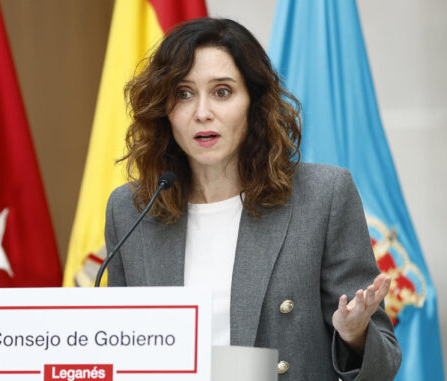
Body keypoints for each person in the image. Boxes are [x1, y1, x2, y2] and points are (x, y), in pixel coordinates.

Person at [104, 17, 401, 380]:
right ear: (164, 110)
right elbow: (119, 351)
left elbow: (384, 363)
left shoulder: (323, 196)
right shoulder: (132, 209)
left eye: (222, 92)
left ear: (254, 102)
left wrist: (355, 334)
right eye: (183, 93)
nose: (202, 112)